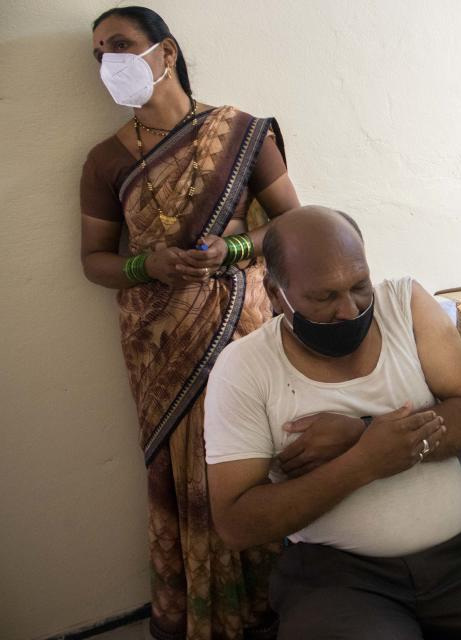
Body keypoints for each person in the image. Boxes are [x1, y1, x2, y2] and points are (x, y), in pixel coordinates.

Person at [203, 206, 461, 640]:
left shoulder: (404, 305)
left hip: (459, 562)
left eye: (360, 286)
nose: (349, 310)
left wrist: (364, 430)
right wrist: (363, 463)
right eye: (323, 297)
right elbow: (236, 522)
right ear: (276, 293)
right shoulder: (245, 368)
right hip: (337, 577)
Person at [80, 7, 300, 639]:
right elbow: (95, 262)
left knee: (259, 459)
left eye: (120, 45)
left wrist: (231, 251)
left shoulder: (243, 134)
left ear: (166, 52)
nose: (108, 63)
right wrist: (148, 264)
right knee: (185, 476)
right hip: (159, 345)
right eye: (99, 54)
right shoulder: (103, 161)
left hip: (240, 329)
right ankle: (206, 615)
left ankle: (281, 605)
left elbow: (290, 223)